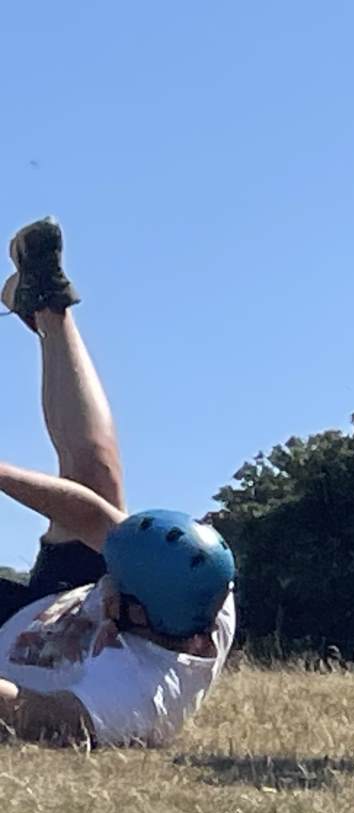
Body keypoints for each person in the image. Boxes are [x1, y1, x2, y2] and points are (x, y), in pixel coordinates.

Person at [0, 218, 235, 748]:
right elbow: (89, 514)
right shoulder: (198, 578)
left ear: (136, 616)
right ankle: (47, 304)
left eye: (113, 582)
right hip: (54, 604)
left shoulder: (137, 698)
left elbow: (30, 715)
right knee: (98, 477)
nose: (104, 578)